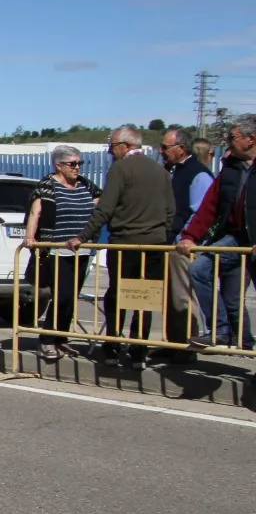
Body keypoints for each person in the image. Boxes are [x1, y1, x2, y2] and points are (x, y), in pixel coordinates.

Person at [68, 125, 174, 364]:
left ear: (126, 146)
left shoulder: (121, 169)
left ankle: (113, 346)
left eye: (113, 146)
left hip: (125, 242)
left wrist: (83, 236)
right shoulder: (161, 170)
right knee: (146, 298)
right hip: (155, 245)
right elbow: (170, 211)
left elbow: (105, 208)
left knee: (118, 293)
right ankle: (139, 349)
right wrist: (160, 233)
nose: (111, 151)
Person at [178, 115, 256, 349]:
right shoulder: (231, 169)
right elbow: (209, 206)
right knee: (200, 269)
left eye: (232, 137)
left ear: (251, 139)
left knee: (234, 300)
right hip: (236, 238)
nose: (227, 141)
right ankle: (220, 330)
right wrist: (191, 236)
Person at [23, 146, 102, 360]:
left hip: (83, 250)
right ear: (58, 165)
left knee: (71, 297)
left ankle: (61, 338)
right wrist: (30, 238)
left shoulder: (86, 185)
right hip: (57, 250)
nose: (77, 168)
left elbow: (100, 204)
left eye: (80, 163)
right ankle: (47, 339)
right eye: (72, 164)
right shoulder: (47, 186)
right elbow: (34, 213)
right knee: (62, 295)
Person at [159, 127, 213, 357]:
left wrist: (185, 238)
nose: (161, 151)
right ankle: (172, 344)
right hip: (170, 242)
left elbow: (200, 211)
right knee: (169, 298)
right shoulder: (173, 171)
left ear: (181, 149)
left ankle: (184, 348)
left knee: (182, 297)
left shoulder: (197, 174)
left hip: (183, 246)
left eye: (165, 147)